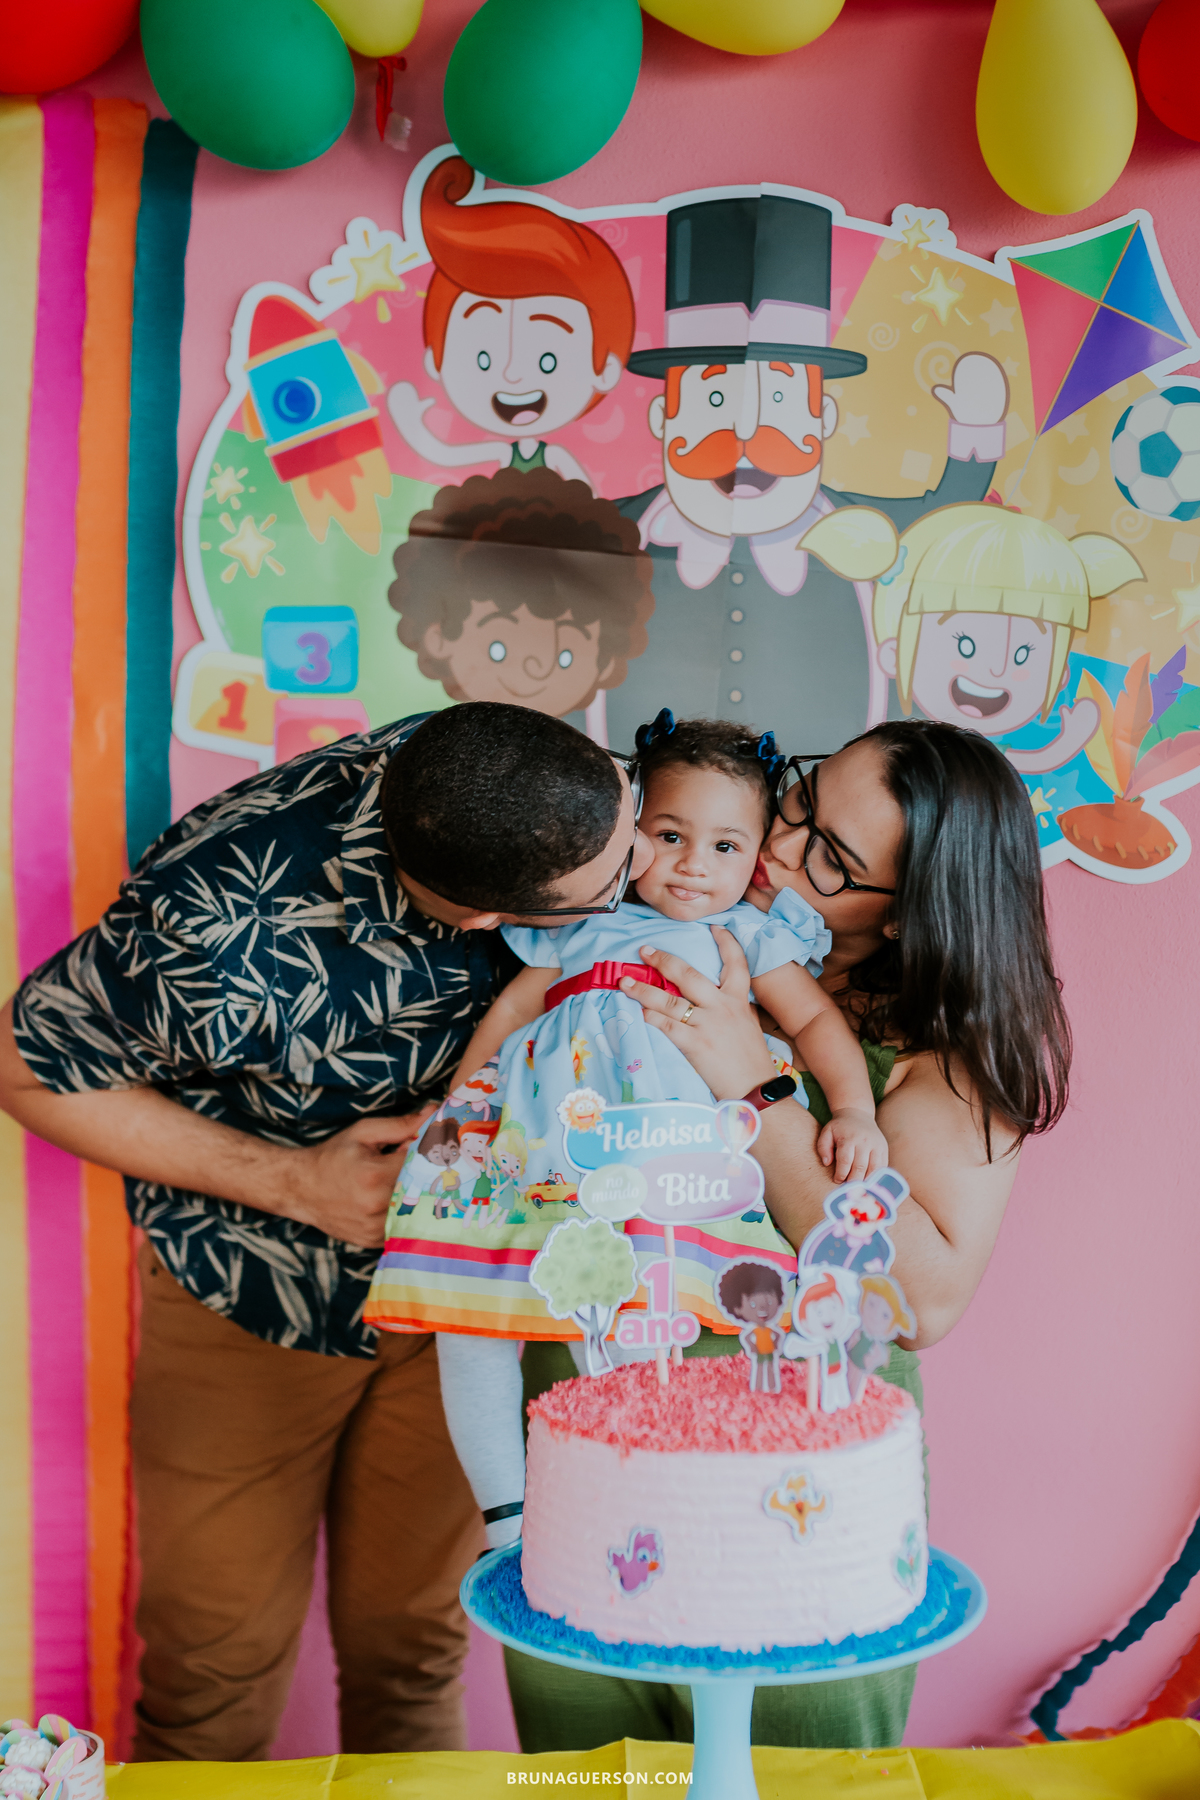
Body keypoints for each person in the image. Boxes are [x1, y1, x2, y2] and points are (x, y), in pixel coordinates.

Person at [0, 702, 652, 1762]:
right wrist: (294, 1184)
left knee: (415, 1648)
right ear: (495, 922)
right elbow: (25, 1063)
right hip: (256, 1295)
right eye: (606, 890)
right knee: (209, 1668)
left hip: (463, 1306)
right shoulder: (212, 922)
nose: (642, 877)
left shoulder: (543, 785)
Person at [505, 717, 1071, 1753]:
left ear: (909, 915)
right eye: (801, 801)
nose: (770, 847)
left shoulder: (936, 1055)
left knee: (801, 1776)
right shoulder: (660, 911)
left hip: (787, 1496)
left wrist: (754, 1088)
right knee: (585, 1777)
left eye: (828, 856)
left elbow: (913, 1301)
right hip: (592, 1434)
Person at [606, 193, 1011, 750]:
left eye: (777, 399)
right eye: (715, 399)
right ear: (663, 417)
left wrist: (977, 434)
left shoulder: (860, 531)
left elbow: (938, 524)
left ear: (824, 419)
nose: (745, 437)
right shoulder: (606, 533)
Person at [388, 155, 635, 486]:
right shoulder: (506, 455)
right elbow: (447, 454)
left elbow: (585, 494)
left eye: (548, 361)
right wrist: (410, 423)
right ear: (437, 359)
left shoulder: (552, 457)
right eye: (483, 359)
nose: (512, 376)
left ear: (604, 369)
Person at [872, 503, 1144, 775]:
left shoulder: (983, 753)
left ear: (1058, 674)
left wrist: (1070, 741)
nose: (996, 669)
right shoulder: (891, 750)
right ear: (894, 653)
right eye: (966, 646)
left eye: (1022, 655)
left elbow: (1029, 761)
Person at [389, 469, 654, 729]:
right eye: (497, 649)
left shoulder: (600, 765)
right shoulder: (409, 742)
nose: (535, 669)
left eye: (565, 656)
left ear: (606, 662)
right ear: (438, 639)